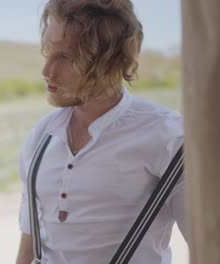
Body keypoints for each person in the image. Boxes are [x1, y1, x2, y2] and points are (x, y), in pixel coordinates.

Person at [15, 0, 186, 263]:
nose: (46, 71)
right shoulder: (41, 137)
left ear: (110, 61)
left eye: (66, 57)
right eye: (47, 52)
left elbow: (209, 243)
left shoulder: (168, 137)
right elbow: (29, 242)